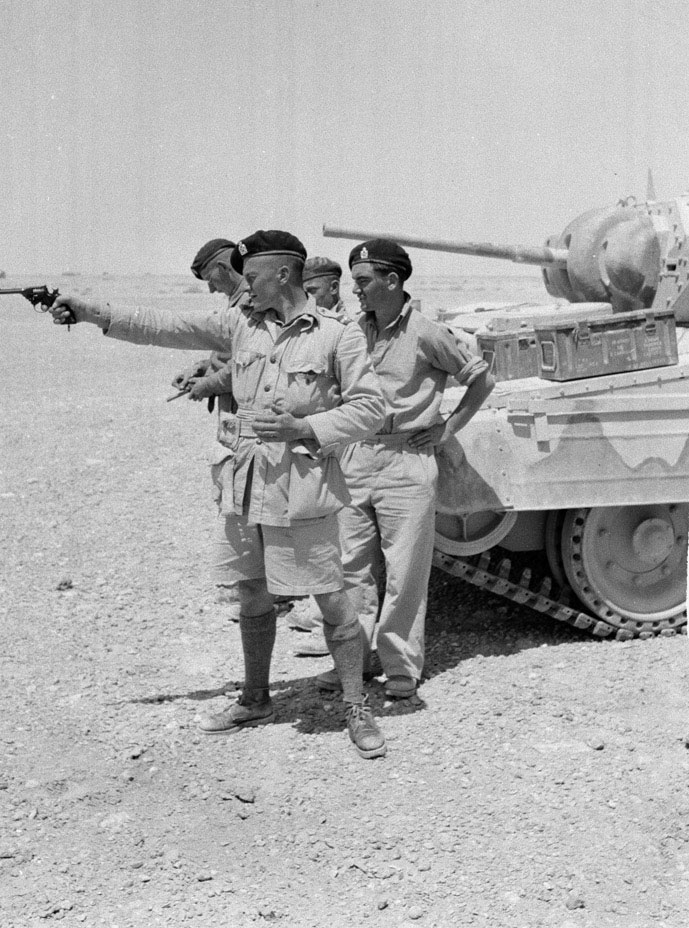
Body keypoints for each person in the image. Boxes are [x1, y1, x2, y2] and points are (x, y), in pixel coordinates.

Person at [51, 230, 388, 760]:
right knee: (251, 593)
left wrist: (305, 426)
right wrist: (91, 311)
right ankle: (256, 698)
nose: (242, 285)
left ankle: (355, 706)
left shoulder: (336, 335)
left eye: (250, 275)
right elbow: (165, 326)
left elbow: (372, 409)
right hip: (246, 483)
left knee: (332, 599)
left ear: (282, 275)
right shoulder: (241, 324)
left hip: (301, 489)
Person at [315, 239, 495, 700]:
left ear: (392, 281)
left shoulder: (427, 332)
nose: (355, 291)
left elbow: (481, 378)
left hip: (406, 461)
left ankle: (399, 666)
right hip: (355, 457)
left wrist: (447, 428)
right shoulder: (353, 329)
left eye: (363, 282)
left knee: (404, 571)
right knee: (350, 568)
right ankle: (351, 661)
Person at [170, 239, 249, 624]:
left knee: (245, 497)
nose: (210, 287)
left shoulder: (249, 302)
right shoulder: (236, 303)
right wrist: (203, 367)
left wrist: (208, 384)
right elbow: (229, 354)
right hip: (233, 417)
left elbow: (249, 366)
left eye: (209, 278)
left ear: (221, 267)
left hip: (247, 418)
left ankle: (258, 589)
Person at [287, 255, 348, 657]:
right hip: (320, 441)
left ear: (331, 288)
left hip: (341, 439)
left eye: (314, 290)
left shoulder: (345, 328)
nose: (308, 298)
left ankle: (341, 626)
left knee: (344, 536)